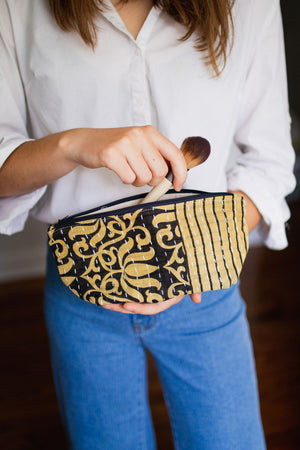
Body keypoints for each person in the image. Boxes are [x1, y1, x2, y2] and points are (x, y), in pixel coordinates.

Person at [0, 0, 295, 448]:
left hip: (204, 290)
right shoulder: (16, 7)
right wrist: (73, 145)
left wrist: (198, 254)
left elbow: (269, 163)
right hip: (81, 289)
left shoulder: (249, 5)